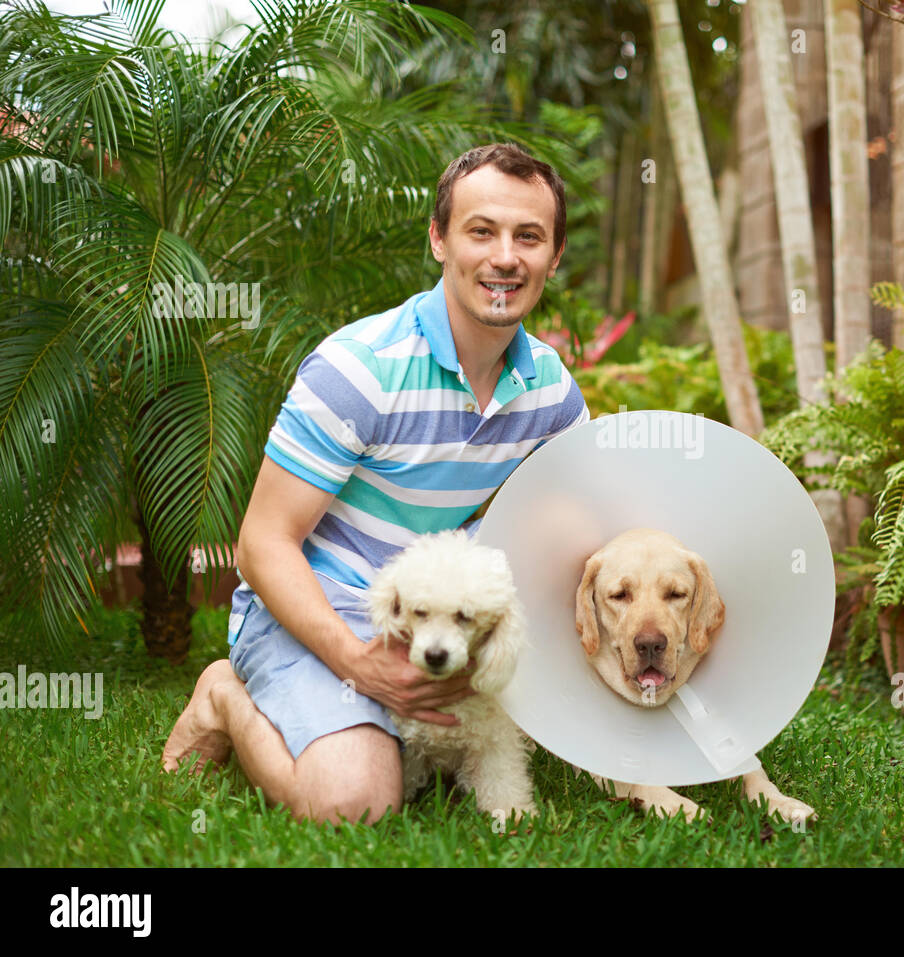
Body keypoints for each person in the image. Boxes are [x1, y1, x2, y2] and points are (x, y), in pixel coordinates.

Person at [162, 143, 589, 824]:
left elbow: (571, 536)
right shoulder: (360, 369)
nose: (505, 257)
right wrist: (360, 663)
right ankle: (224, 695)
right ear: (439, 239)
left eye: (528, 236)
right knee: (355, 803)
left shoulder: (554, 397)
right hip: (314, 618)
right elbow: (263, 543)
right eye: (481, 231)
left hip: (444, 628)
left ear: (554, 255)